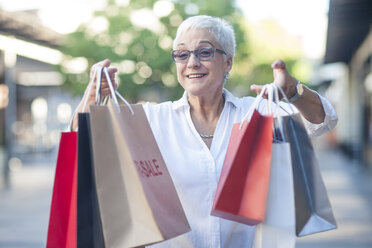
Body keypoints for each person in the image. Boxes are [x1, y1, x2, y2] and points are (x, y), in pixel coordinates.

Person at [71, 15, 337, 248]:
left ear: (228, 62)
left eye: (205, 52)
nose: (192, 62)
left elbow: (322, 120)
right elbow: (79, 144)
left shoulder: (258, 114)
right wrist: (91, 97)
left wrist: (294, 91)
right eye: (182, 54)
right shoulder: (152, 119)